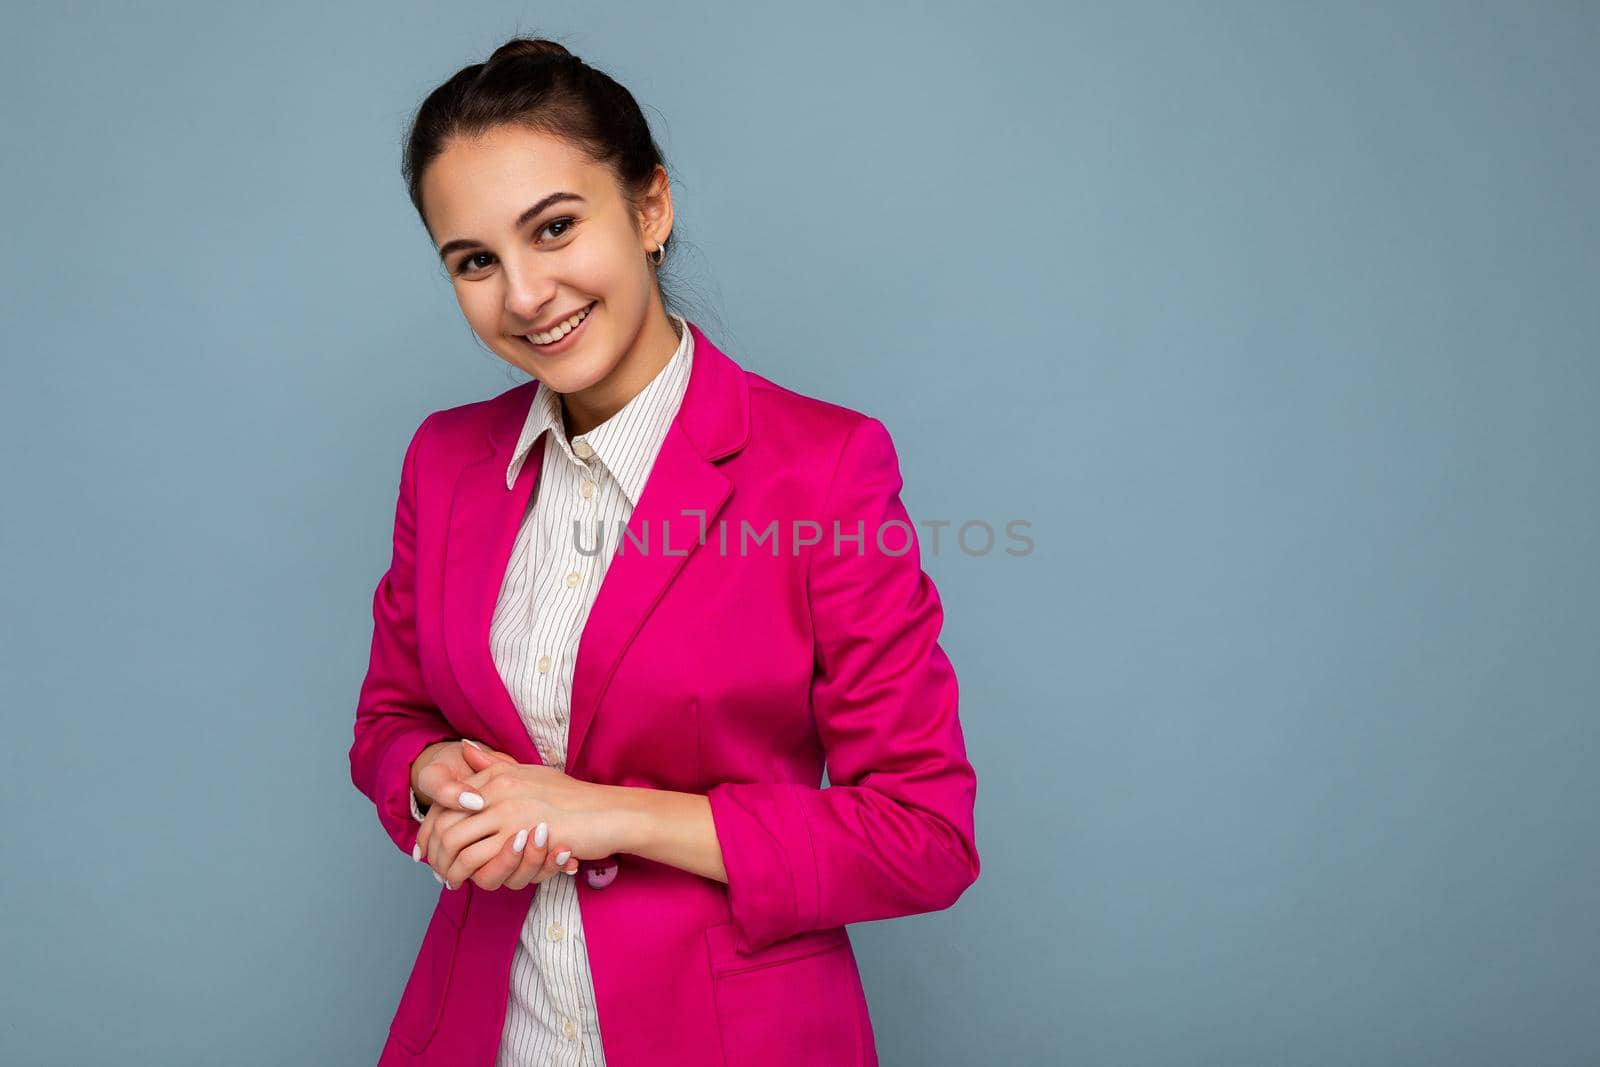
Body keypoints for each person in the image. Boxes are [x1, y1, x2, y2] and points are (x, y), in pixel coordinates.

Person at [349, 35, 980, 1067]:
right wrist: (429, 774)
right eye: (475, 261)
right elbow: (389, 716)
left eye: (554, 227)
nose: (524, 294)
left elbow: (921, 835)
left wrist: (606, 815)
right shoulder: (443, 462)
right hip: (482, 1028)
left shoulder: (824, 470)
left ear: (649, 208)